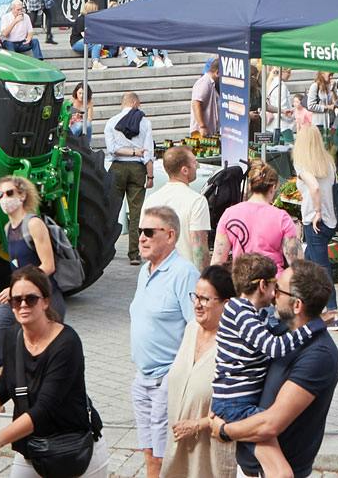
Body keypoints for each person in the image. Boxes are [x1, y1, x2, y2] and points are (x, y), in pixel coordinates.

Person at [175, 260, 338, 478]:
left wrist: (224, 431)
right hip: (250, 466)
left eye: (279, 290)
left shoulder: (318, 355)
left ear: (297, 305)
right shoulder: (279, 330)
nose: (274, 296)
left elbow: (270, 424)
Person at [0, 264, 102, 478]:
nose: (23, 305)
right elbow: (6, 384)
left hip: (71, 449)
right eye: (16, 300)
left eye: (30, 299)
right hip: (32, 446)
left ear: (45, 301)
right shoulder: (12, 336)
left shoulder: (67, 343)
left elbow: (45, 408)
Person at [128, 205, 196, 478]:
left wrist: (180, 376)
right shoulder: (146, 270)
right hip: (143, 378)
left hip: (167, 379)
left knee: (161, 457)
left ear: (170, 236)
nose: (141, 237)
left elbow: (197, 327)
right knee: (148, 453)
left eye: (148, 232)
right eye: (138, 230)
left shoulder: (184, 273)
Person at [158, 264, 234, 478]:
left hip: (210, 453)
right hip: (178, 450)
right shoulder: (191, 328)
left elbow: (239, 408)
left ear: (226, 304)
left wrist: (198, 424)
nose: (197, 305)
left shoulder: (233, 345)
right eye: (196, 297)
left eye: (205, 299)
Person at [0, 175, 64, 374]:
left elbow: (48, 265)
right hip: (16, 296)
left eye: (10, 193)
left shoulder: (33, 224)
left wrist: (17, 287)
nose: (4, 198)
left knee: (46, 352)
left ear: (22, 196)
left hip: (44, 297)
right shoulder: (7, 228)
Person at [289, 123, 338, 332]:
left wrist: (317, 212)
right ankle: (306, 307)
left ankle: (334, 313)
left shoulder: (303, 166)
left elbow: (314, 187)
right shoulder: (328, 164)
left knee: (321, 269)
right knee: (309, 262)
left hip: (315, 221)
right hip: (331, 222)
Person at [212, 163, 295, 271]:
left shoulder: (229, 214)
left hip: (241, 281)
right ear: (273, 187)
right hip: (272, 282)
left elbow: (218, 260)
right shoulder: (282, 218)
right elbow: (296, 264)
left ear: (250, 186)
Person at [105, 93, 155, 264]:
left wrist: (126, 151)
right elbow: (148, 152)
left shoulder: (111, 122)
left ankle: (105, 249)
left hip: (117, 168)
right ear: (134, 103)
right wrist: (150, 175)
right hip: (137, 168)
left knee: (111, 210)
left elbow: (111, 149)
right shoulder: (145, 122)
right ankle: (134, 253)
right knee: (135, 213)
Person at [145, 145, 212, 269]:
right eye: (194, 162)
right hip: (186, 277)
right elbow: (199, 250)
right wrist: (204, 281)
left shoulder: (151, 200)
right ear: (185, 170)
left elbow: (146, 243)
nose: (197, 166)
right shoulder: (197, 201)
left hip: (158, 275)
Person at [189, 61, 220, 139]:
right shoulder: (204, 83)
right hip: (202, 133)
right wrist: (202, 126)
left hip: (208, 132)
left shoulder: (211, 83)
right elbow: (196, 103)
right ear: (217, 72)